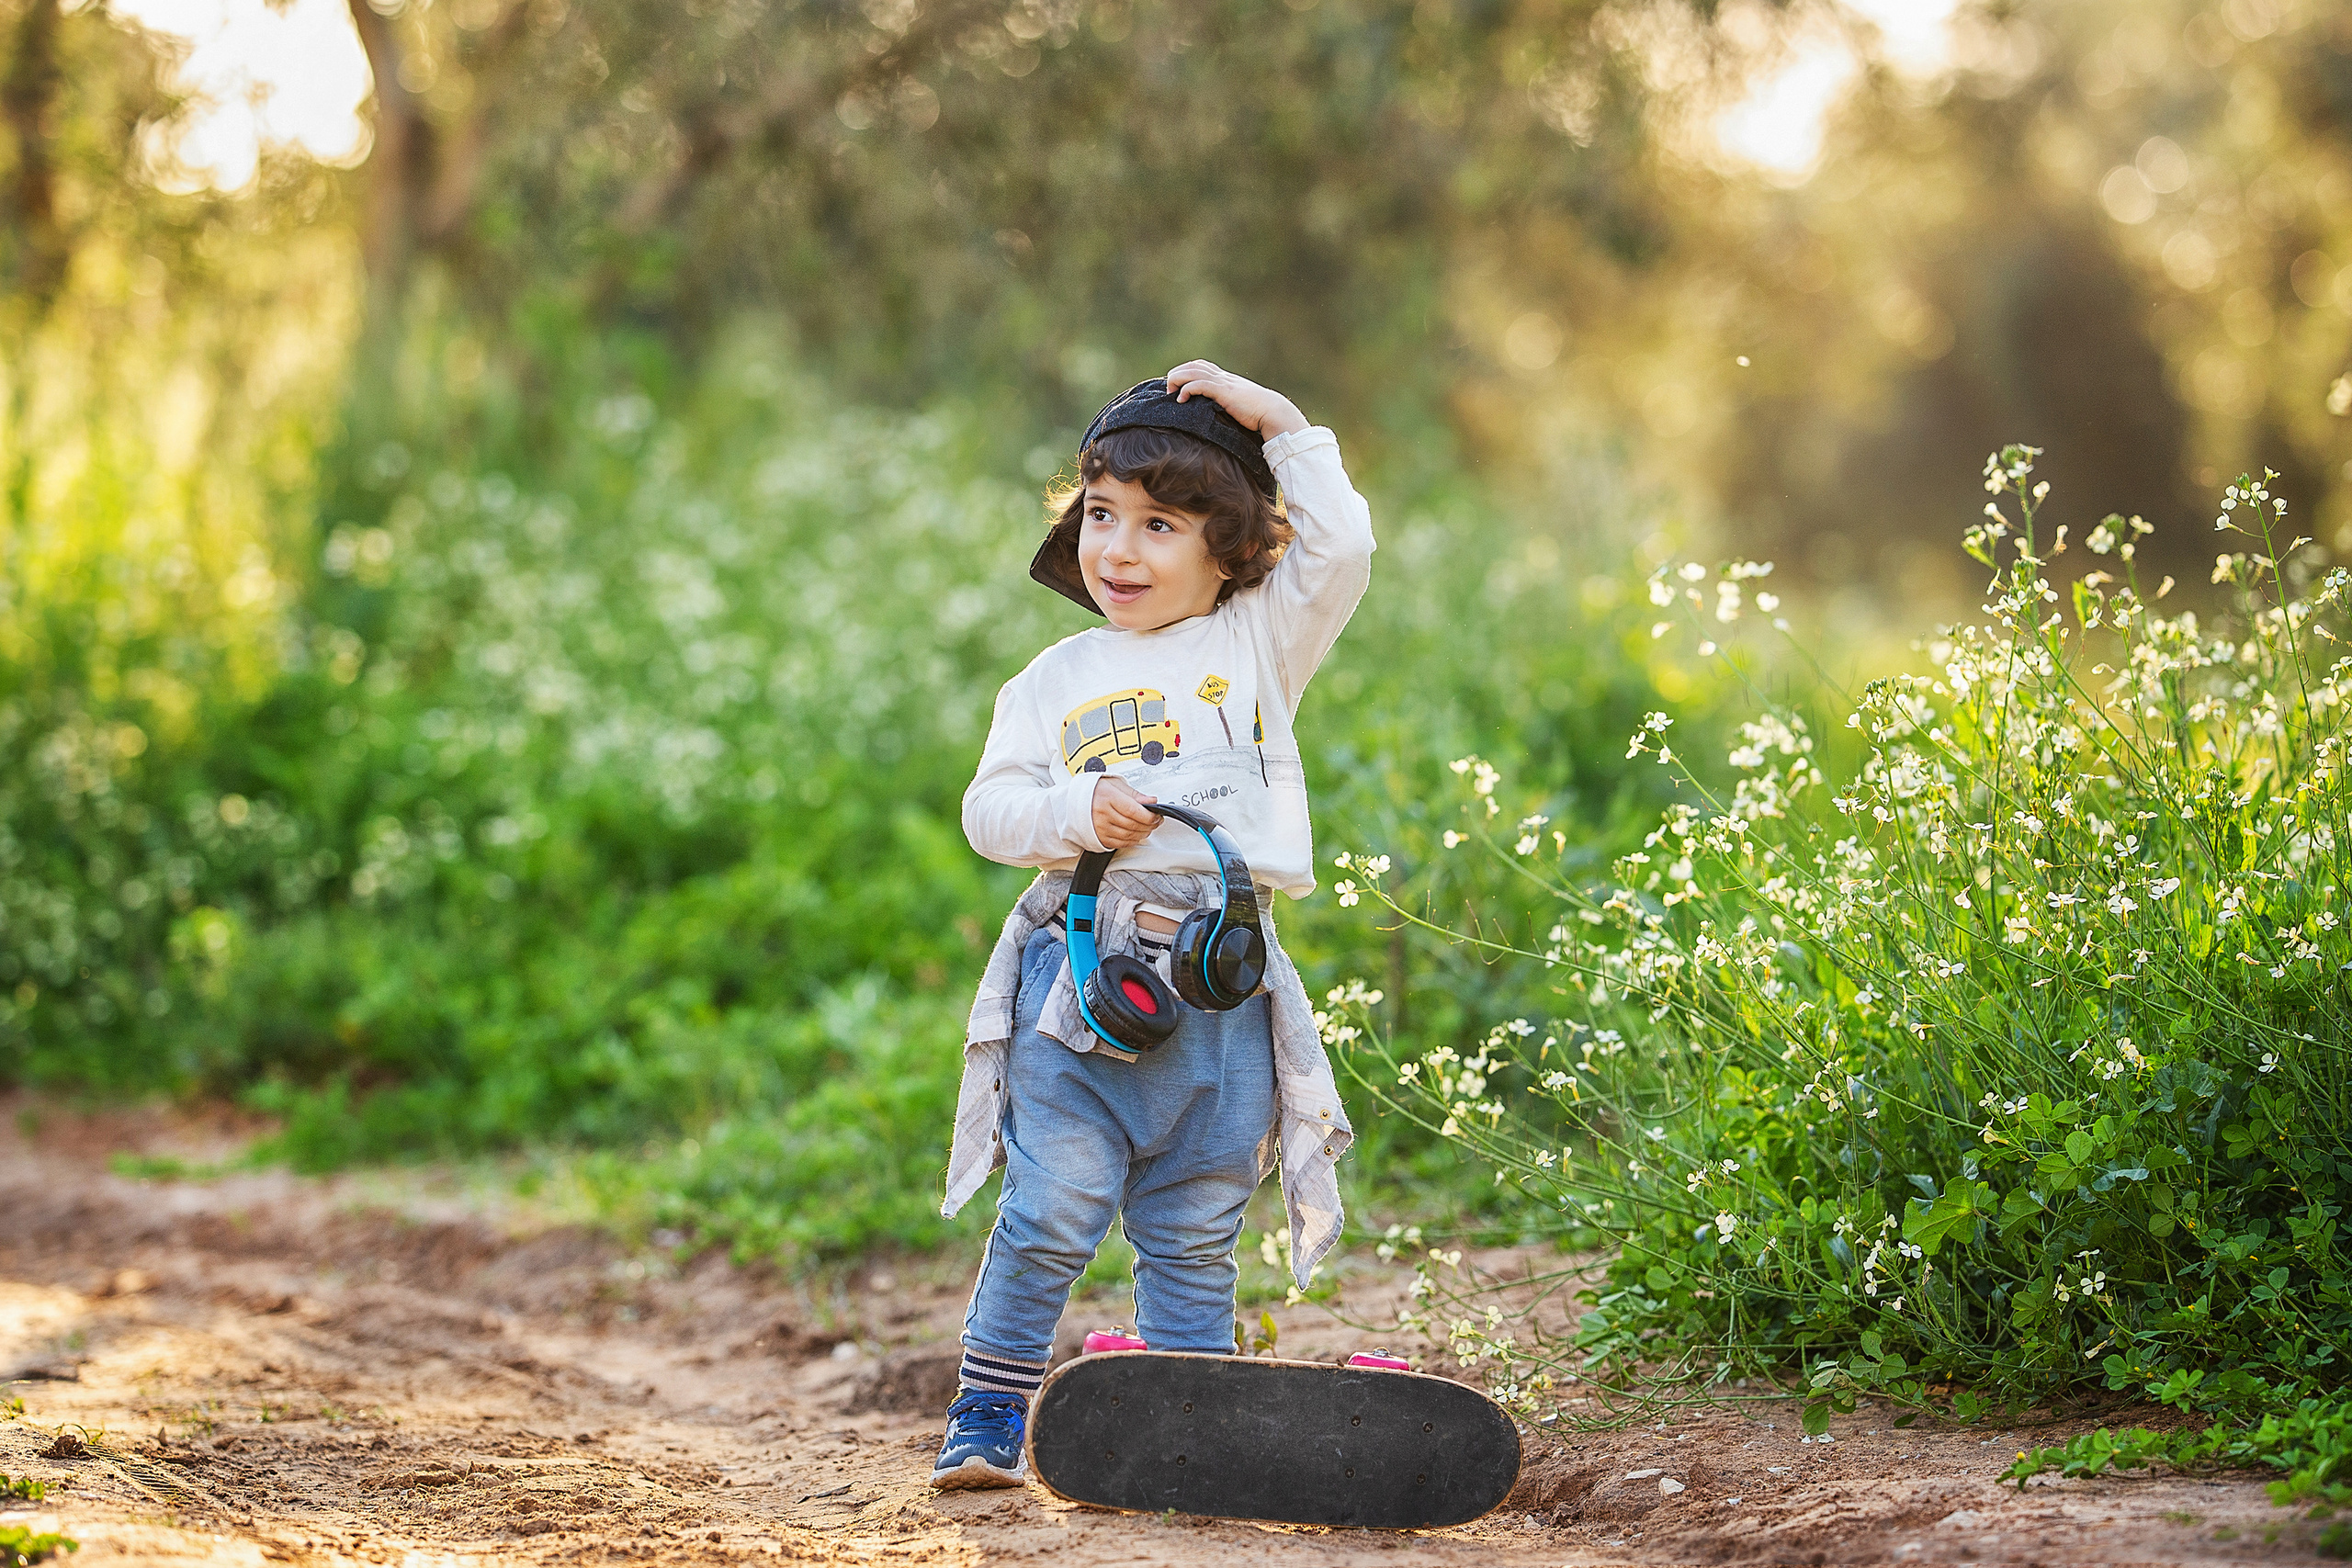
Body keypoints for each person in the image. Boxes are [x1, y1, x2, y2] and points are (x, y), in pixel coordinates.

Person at [930, 361, 1375, 1488]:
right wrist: (1075, 811)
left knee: (1192, 1220)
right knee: (1053, 1204)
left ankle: (1190, 1428)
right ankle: (986, 1413)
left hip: (1221, 977)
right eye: (1100, 516)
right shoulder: (1050, 678)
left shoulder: (1257, 645)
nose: (1117, 551)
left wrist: (1278, 421)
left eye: (1160, 525)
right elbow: (989, 811)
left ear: (1227, 549)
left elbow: (1345, 550)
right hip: (1085, 971)